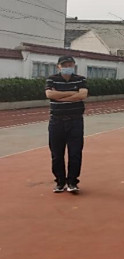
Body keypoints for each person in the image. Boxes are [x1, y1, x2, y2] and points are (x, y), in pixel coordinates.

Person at [45, 55, 88, 194]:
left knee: (75, 153)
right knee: (57, 154)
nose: (67, 67)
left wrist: (60, 96)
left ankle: (72, 182)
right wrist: (72, 94)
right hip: (56, 121)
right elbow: (50, 94)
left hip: (75, 121)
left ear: (74, 66)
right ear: (58, 66)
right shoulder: (52, 79)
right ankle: (60, 182)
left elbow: (82, 95)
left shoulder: (80, 79)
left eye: (70, 65)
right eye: (64, 65)